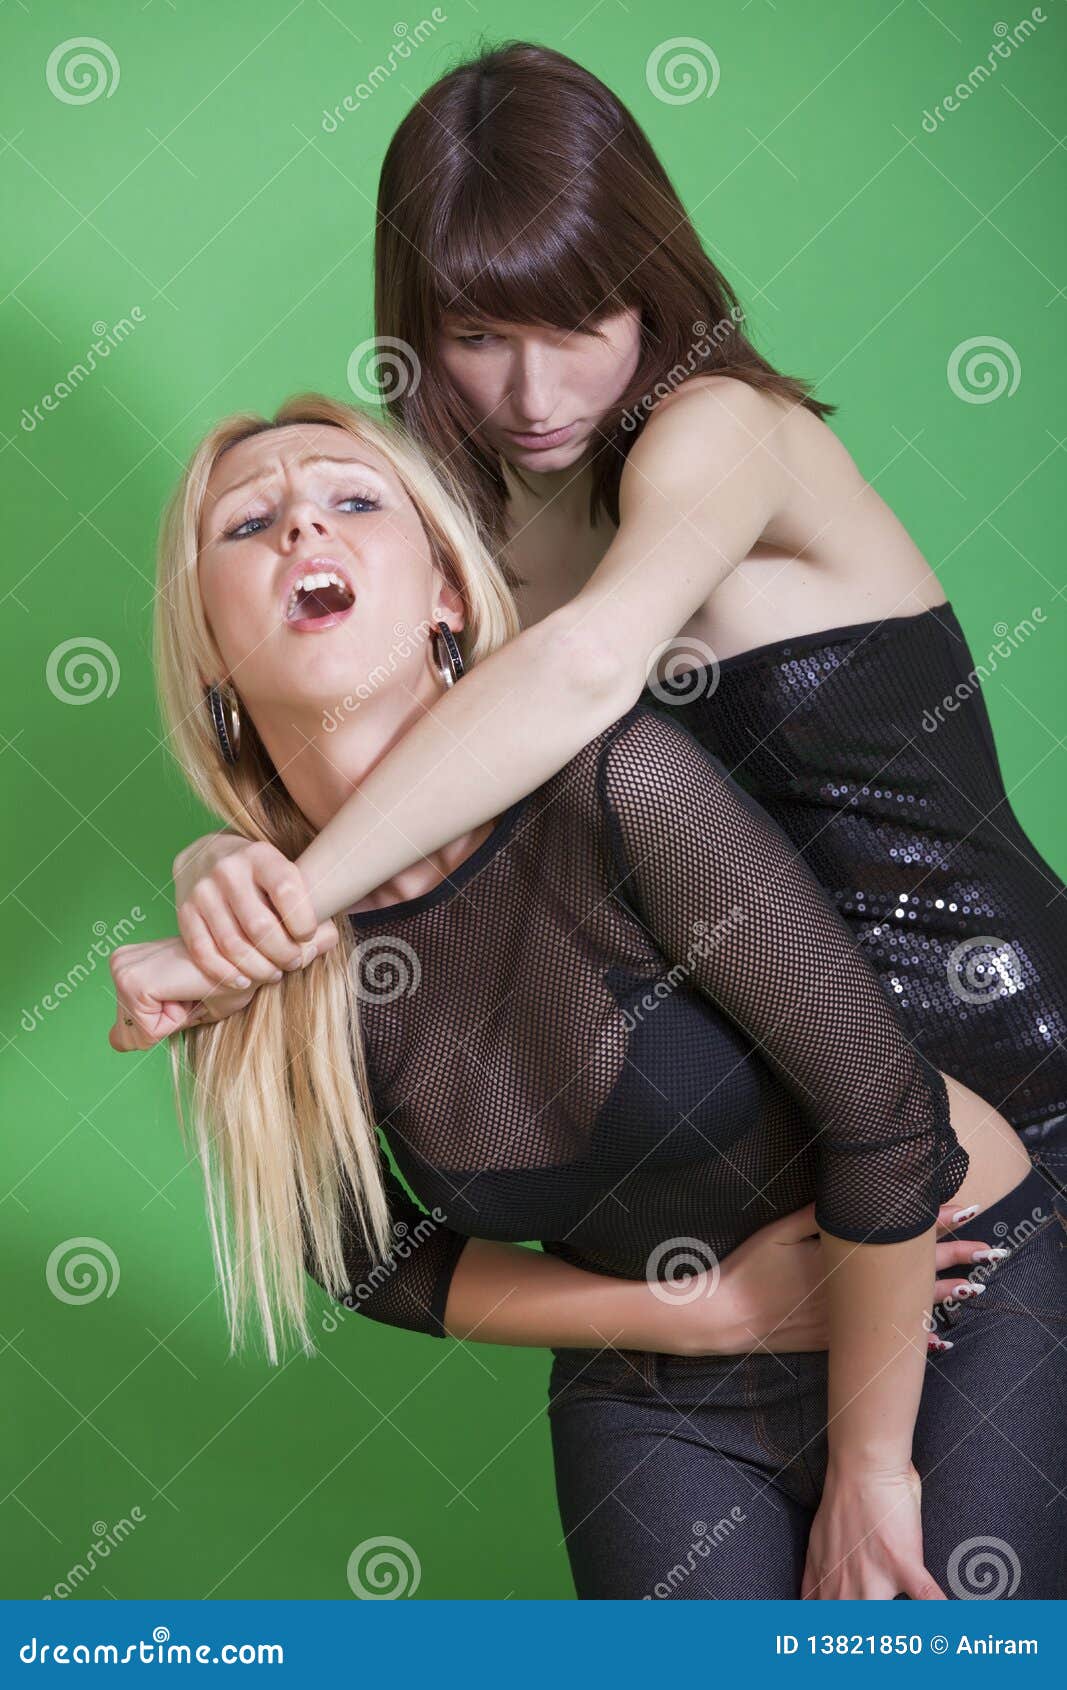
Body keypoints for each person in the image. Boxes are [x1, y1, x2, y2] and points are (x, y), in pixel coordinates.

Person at [109, 394, 1066, 1600]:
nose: (303, 525)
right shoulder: (245, 947)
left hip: (935, 1282)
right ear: (207, 646)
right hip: (655, 1380)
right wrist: (692, 1313)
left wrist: (872, 1471)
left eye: (353, 499)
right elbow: (363, 1253)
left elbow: (884, 1115)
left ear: (446, 596)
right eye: (249, 524)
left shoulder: (618, 783)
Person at [166, 41, 1067, 1195]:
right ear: (416, 328)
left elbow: (583, 666)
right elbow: (389, 782)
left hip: (1001, 1047)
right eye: (478, 337)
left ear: (652, 291)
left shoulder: (724, 434)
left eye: (578, 324)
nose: (532, 396)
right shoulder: (463, 544)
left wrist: (287, 902)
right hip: (780, 1127)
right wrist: (219, 862)